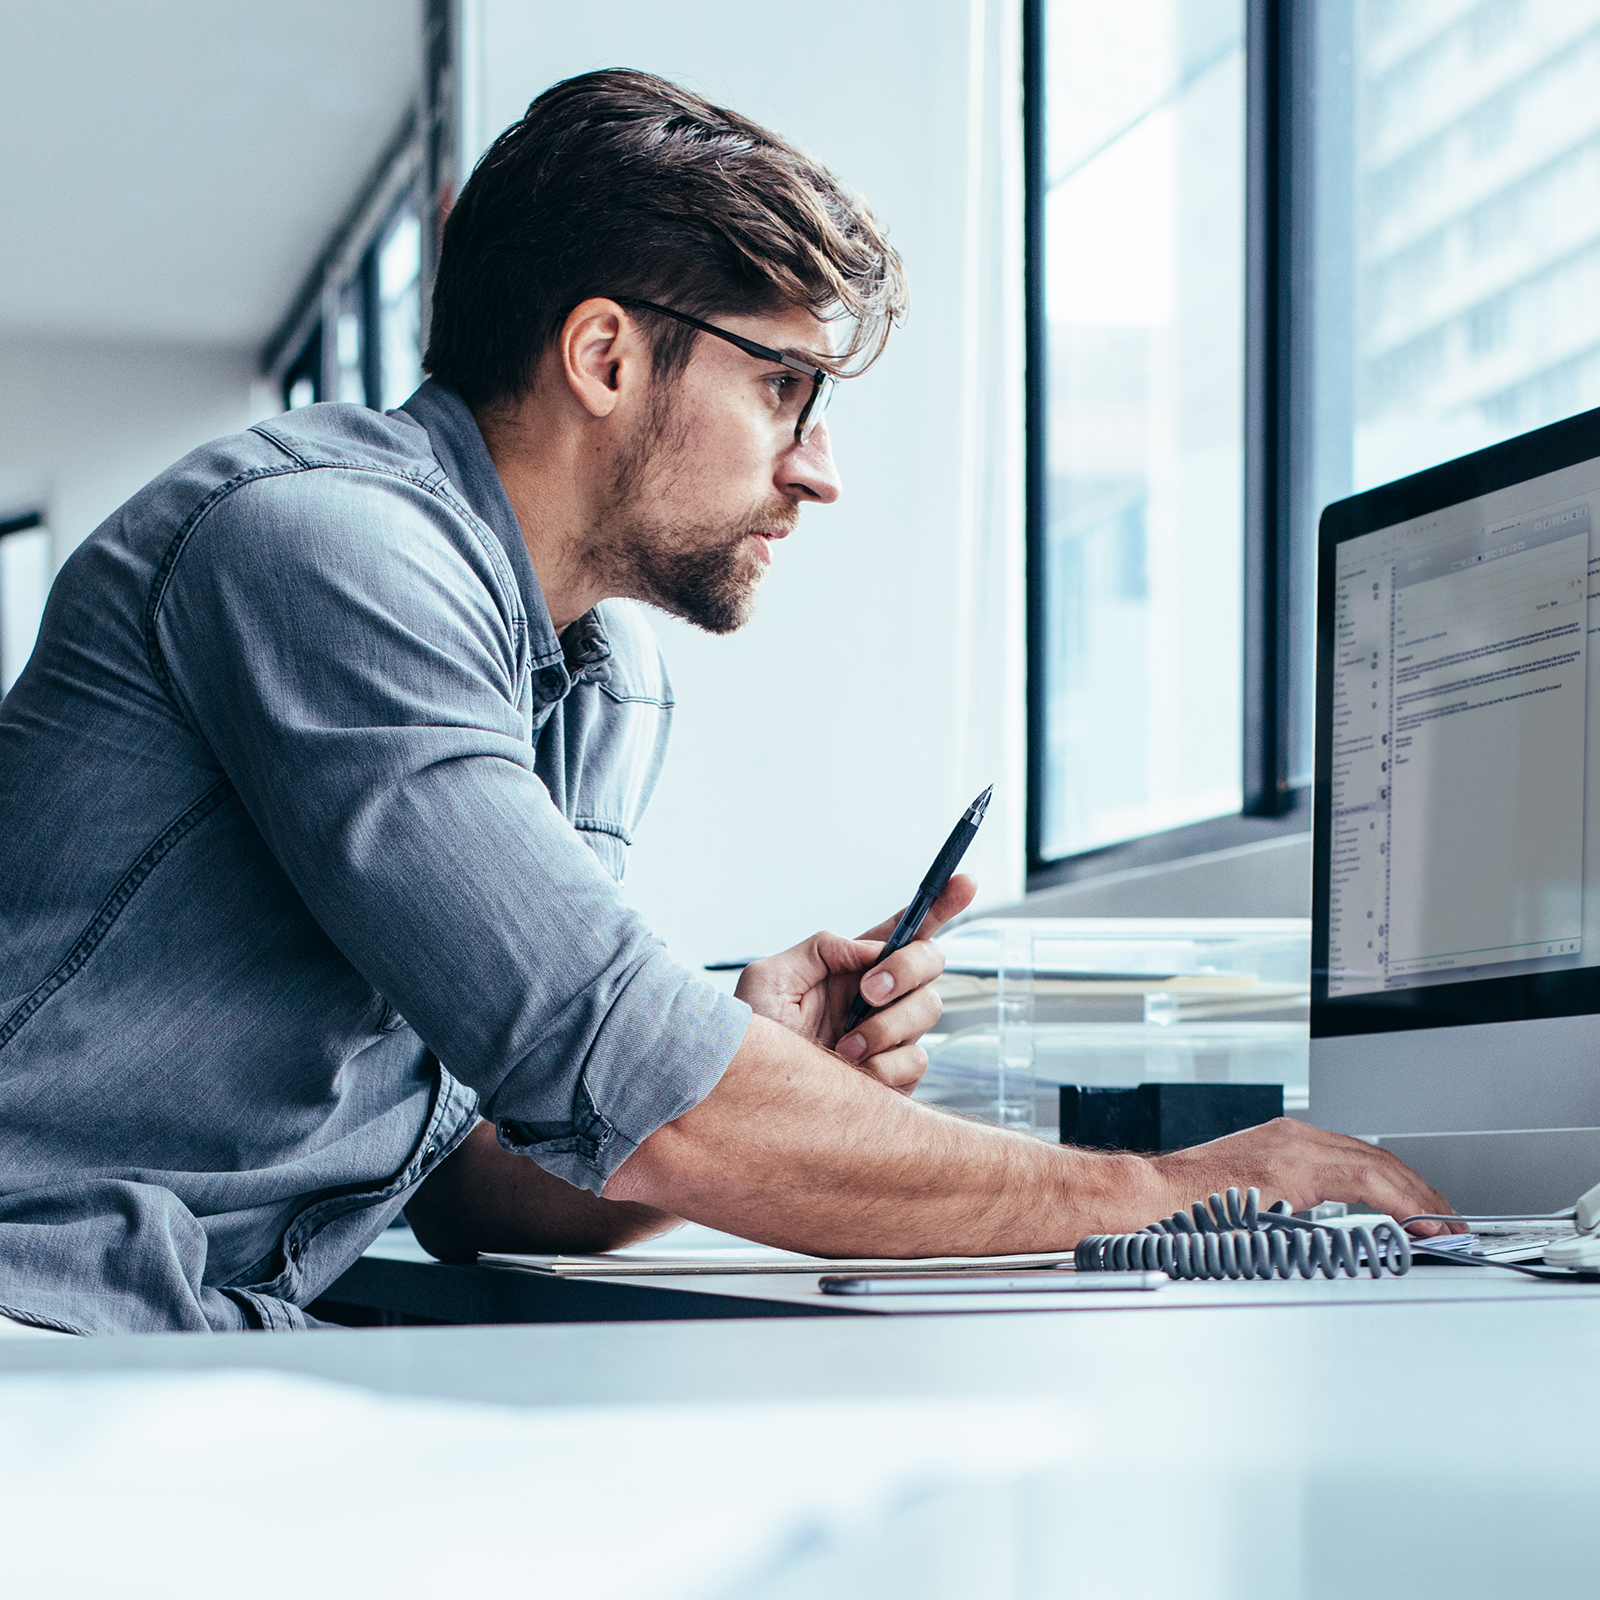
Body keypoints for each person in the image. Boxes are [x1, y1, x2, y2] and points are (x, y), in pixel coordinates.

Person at [0, 69, 1455, 1336]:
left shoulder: (596, 682)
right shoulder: (328, 552)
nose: (816, 468)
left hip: (186, 1342)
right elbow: (643, 1091)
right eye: (786, 390)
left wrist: (761, 1066)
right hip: (44, 1328)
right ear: (607, 356)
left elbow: (471, 1180)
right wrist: (1170, 1193)